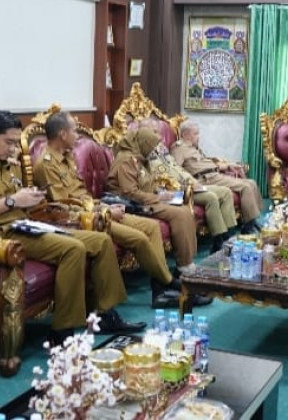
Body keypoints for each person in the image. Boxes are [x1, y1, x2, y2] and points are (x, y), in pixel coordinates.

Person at [0, 111, 145, 344]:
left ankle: (104, 314)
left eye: (16, 142)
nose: (14, 148)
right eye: (9, 142)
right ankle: (62, 331)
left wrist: (31, 199)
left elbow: (21, 200)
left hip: (28, 223)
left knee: (100, 240)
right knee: (73, 249)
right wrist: (12, 201)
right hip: (0, 233)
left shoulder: (11, 165)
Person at [32, 111, 181, 309]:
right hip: (82, 219)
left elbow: (83, 196)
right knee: (139, 238)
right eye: (74, 131)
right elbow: (66, 206)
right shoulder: (46, 164)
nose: (77, 136)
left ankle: (159, 290)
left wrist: (106, 206)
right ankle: (167, 282)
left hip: (96, 208)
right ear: (62, 134)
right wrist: (104, 212)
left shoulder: (67, 157)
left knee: (151, 227)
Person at [107, 128, 208, 294]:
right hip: (133, 204)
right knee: (180, 214)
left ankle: (185, 263)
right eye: (151, 146)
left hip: (148, 199)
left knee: (184, 208)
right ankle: (184, 267)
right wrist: (158, 198)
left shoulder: (139, 158)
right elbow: (130, 192)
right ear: (143, 144)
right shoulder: (126, 160)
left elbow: (146, 184)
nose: (153, 150)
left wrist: (162, 193)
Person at [138, 119, 236, 254]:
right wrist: (186, 185)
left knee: (225, 191)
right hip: (172, 191)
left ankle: (228, 235)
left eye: (158, 132)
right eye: (154, 132)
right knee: (211, 197)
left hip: (187, 184)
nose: (158, 136)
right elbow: (158, 179)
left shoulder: (161, 148)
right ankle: (219, 240)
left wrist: (192, 181)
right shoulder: (142, 153)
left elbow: (177, 169)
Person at [170, 120, 263, 234]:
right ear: (185, 134)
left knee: (251, 183)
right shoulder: (179, 148)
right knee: (245, 187)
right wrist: (190, 183)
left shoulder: (194, 148)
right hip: (204, 179)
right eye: (196, 134)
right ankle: (248, 225)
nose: (198, 137)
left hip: (215, 174)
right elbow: (176, 169)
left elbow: (210, 164)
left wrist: (228, 166)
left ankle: (253, 219)